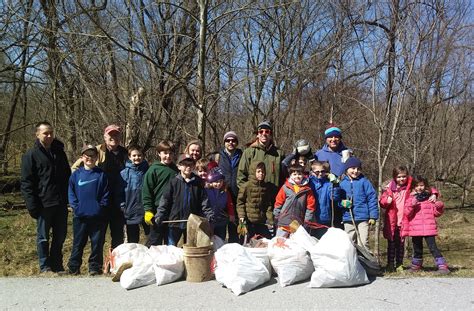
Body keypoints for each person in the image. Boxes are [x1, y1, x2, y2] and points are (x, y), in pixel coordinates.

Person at [20, 121, 71, 274]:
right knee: (43, 238)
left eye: (51, 133)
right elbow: (26, 182)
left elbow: (67, 176)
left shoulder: (59, 152)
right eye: (45, 133)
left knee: (60, 236)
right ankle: (45, 267)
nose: (49, 136)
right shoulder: (31, 155)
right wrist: (32, 206)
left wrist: (69, 198)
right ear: (37, 134)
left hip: (61, 202)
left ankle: (57, 265)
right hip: (43, 203)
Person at [71, 124, 128, 250]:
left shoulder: (126, 153)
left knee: (118, 234)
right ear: (105, 137)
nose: (114, 137)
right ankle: (97, 263)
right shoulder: (97, 151)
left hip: (119, 200)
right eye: (110, 135)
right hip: (101, 200)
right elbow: (75, 169)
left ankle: (115, 263)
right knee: (99, 235)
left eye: (116, 135)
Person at [67, 145, 109, 276]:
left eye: (92, 156)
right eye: (87, 156)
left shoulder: (101, 174)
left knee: (97, 243)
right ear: (82, 158)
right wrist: (75, 207)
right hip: (80, 216)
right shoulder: (76, 175)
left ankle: (95, 267)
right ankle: (74, 267)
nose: (89, 158)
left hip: (97, 216)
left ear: (97, 157)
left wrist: (101, 207)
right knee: (78, 243)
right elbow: (71, 193)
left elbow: (106, 193)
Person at [155, 154, 214, 246]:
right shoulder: (173, 182)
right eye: (185, 164)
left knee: (191, 248)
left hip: (193, 223)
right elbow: (165, 201)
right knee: (171, 248)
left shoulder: (198, 183)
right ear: (179, 166)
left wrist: (209, 214)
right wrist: (160, 214)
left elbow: (204, 201)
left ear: (194, 166)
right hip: (174, 222)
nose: (188, 167)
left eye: (190, 164)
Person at [402, 176, 449, 274]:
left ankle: (443, 267)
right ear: (413, 187)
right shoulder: (410, 198)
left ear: (425, 186)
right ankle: (416, 266)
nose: (419, 188)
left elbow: (436, 213)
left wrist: (439, 206)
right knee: (417, 248)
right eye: (417, 186)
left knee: (433, 247)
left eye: (422, 185)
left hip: (429, 227)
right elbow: (407, 213)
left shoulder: (430, 198)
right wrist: (412, 204)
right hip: (415, 229)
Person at [142, 140, 178, 246]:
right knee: (154, 241)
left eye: (171, 153)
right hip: (157, 211)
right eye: (165, 153)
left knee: (170, 243)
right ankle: (150, 261)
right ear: (159, 153)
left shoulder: (176, 170)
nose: (168, 156)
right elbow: (146, 191)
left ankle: (168, 262)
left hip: (172, 211)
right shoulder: (153, 170)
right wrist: (148, 210)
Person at [339, 157, 378, 250]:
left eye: (358, 169)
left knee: (363, 242)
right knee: (350, 242)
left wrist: (373, 216)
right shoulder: (342, 184)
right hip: (348, 217)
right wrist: (342, 203)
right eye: (353, 168)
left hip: (363, 217)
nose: (356, 171)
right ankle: (352, 263)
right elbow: (337, 199)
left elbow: (372, 198)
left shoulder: (364, 182)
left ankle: (365, 263)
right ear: (346, 169)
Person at [379, 166, 413, 272]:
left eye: (404, 176)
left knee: (401, 245)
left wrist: (434, 194)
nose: (401, 179)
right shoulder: (389, 189)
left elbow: (426, 187)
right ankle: (390, 264)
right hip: (392, 222)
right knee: (391, 244)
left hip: (404, 221)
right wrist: (386, 201)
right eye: (399, 177)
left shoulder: (410, 187)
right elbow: (382, 202)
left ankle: (399, 264)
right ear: (394, 177)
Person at [237, 121, 284, 189]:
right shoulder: (249, 152)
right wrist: (248, 193)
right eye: (261, 131)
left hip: (274, 196)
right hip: (254, 197)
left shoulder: (279, 154)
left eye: (267, 131)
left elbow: (284, 177)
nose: (264, 134)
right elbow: (241, 177)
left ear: (270, 135)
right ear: (257, 135)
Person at [273, 164, 316, 238]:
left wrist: (307, 219)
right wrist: (277, 214)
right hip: (284, 219)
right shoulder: (285, 187)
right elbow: (279, 201)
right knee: (280, 241)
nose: (297, 176)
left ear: (303, 175)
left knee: (294, 243)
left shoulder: (307, 190)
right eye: (294, 174)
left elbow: (310, 206)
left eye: (299, 174)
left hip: (298, 221)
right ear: (290, 175)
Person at [236, 162, 276, 240]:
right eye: (258, 171)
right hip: (247, 221)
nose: (261, 174)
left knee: (265, 242)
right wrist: (241, 217)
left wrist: (270, 219)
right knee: (246, 243)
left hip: (261, 221)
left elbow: (268, 204)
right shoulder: (246, 186)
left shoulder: (266, 187)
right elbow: (240, 203)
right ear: (253, 172)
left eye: (263, 172)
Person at [119, 146, 149, 243]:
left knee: (152, 238)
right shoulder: (123, 174)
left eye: (139, 155)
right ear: (129, 157)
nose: (137, 157)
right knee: (133, 241)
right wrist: (123, 206)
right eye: (134, 155)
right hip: (130, 210)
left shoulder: (148, 171)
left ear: (143, 156)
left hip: (146, 210)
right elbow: (119, 193)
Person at [217, 131, 242, 243]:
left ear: (236, 142)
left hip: (238, 196)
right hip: (222, 196)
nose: (230, 142)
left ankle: (235, 251)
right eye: (228, 140)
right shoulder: (217, 157)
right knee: (220, 230)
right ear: (224, 142)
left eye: (233, 140)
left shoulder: (242, 155)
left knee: (235, 229)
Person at [308, 161, 342, 239]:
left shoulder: (328, 184)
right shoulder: (308, 183)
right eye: (317, 172)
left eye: (322, 171)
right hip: (309, 218)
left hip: (323, 218)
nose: (320, 174)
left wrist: (335, 185)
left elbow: (334, 198)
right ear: (312, 172)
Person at [206, 169, 235, 241]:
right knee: (209, 239)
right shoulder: (207, 191)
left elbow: (229, 204)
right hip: (209, 219)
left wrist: (231, 214)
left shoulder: (225, 191)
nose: (218, 184)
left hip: (221, 219)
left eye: (220, 181)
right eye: (216, 182)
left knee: (220, 238)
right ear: (211, 182)